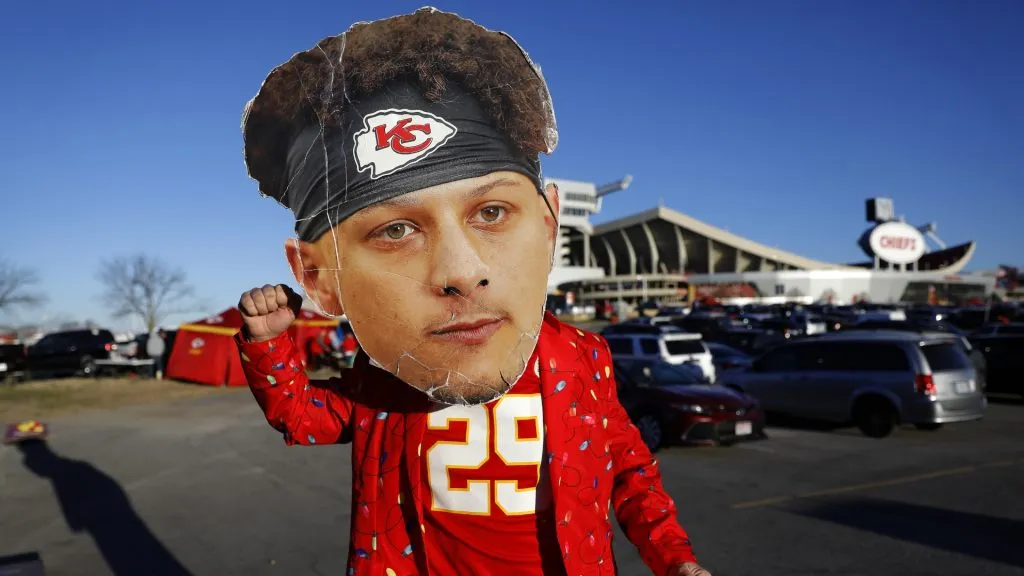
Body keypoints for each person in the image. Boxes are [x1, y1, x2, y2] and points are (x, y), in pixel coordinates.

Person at [235, 8, 711, 576]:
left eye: (491, 211)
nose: (461, 271)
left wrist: (673, 557)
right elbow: (304, 416)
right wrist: (268, 345)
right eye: (395, 230)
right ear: (317, 279)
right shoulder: (388, 378)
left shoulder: (582, 362)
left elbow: (630, 470)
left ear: (549, 223)